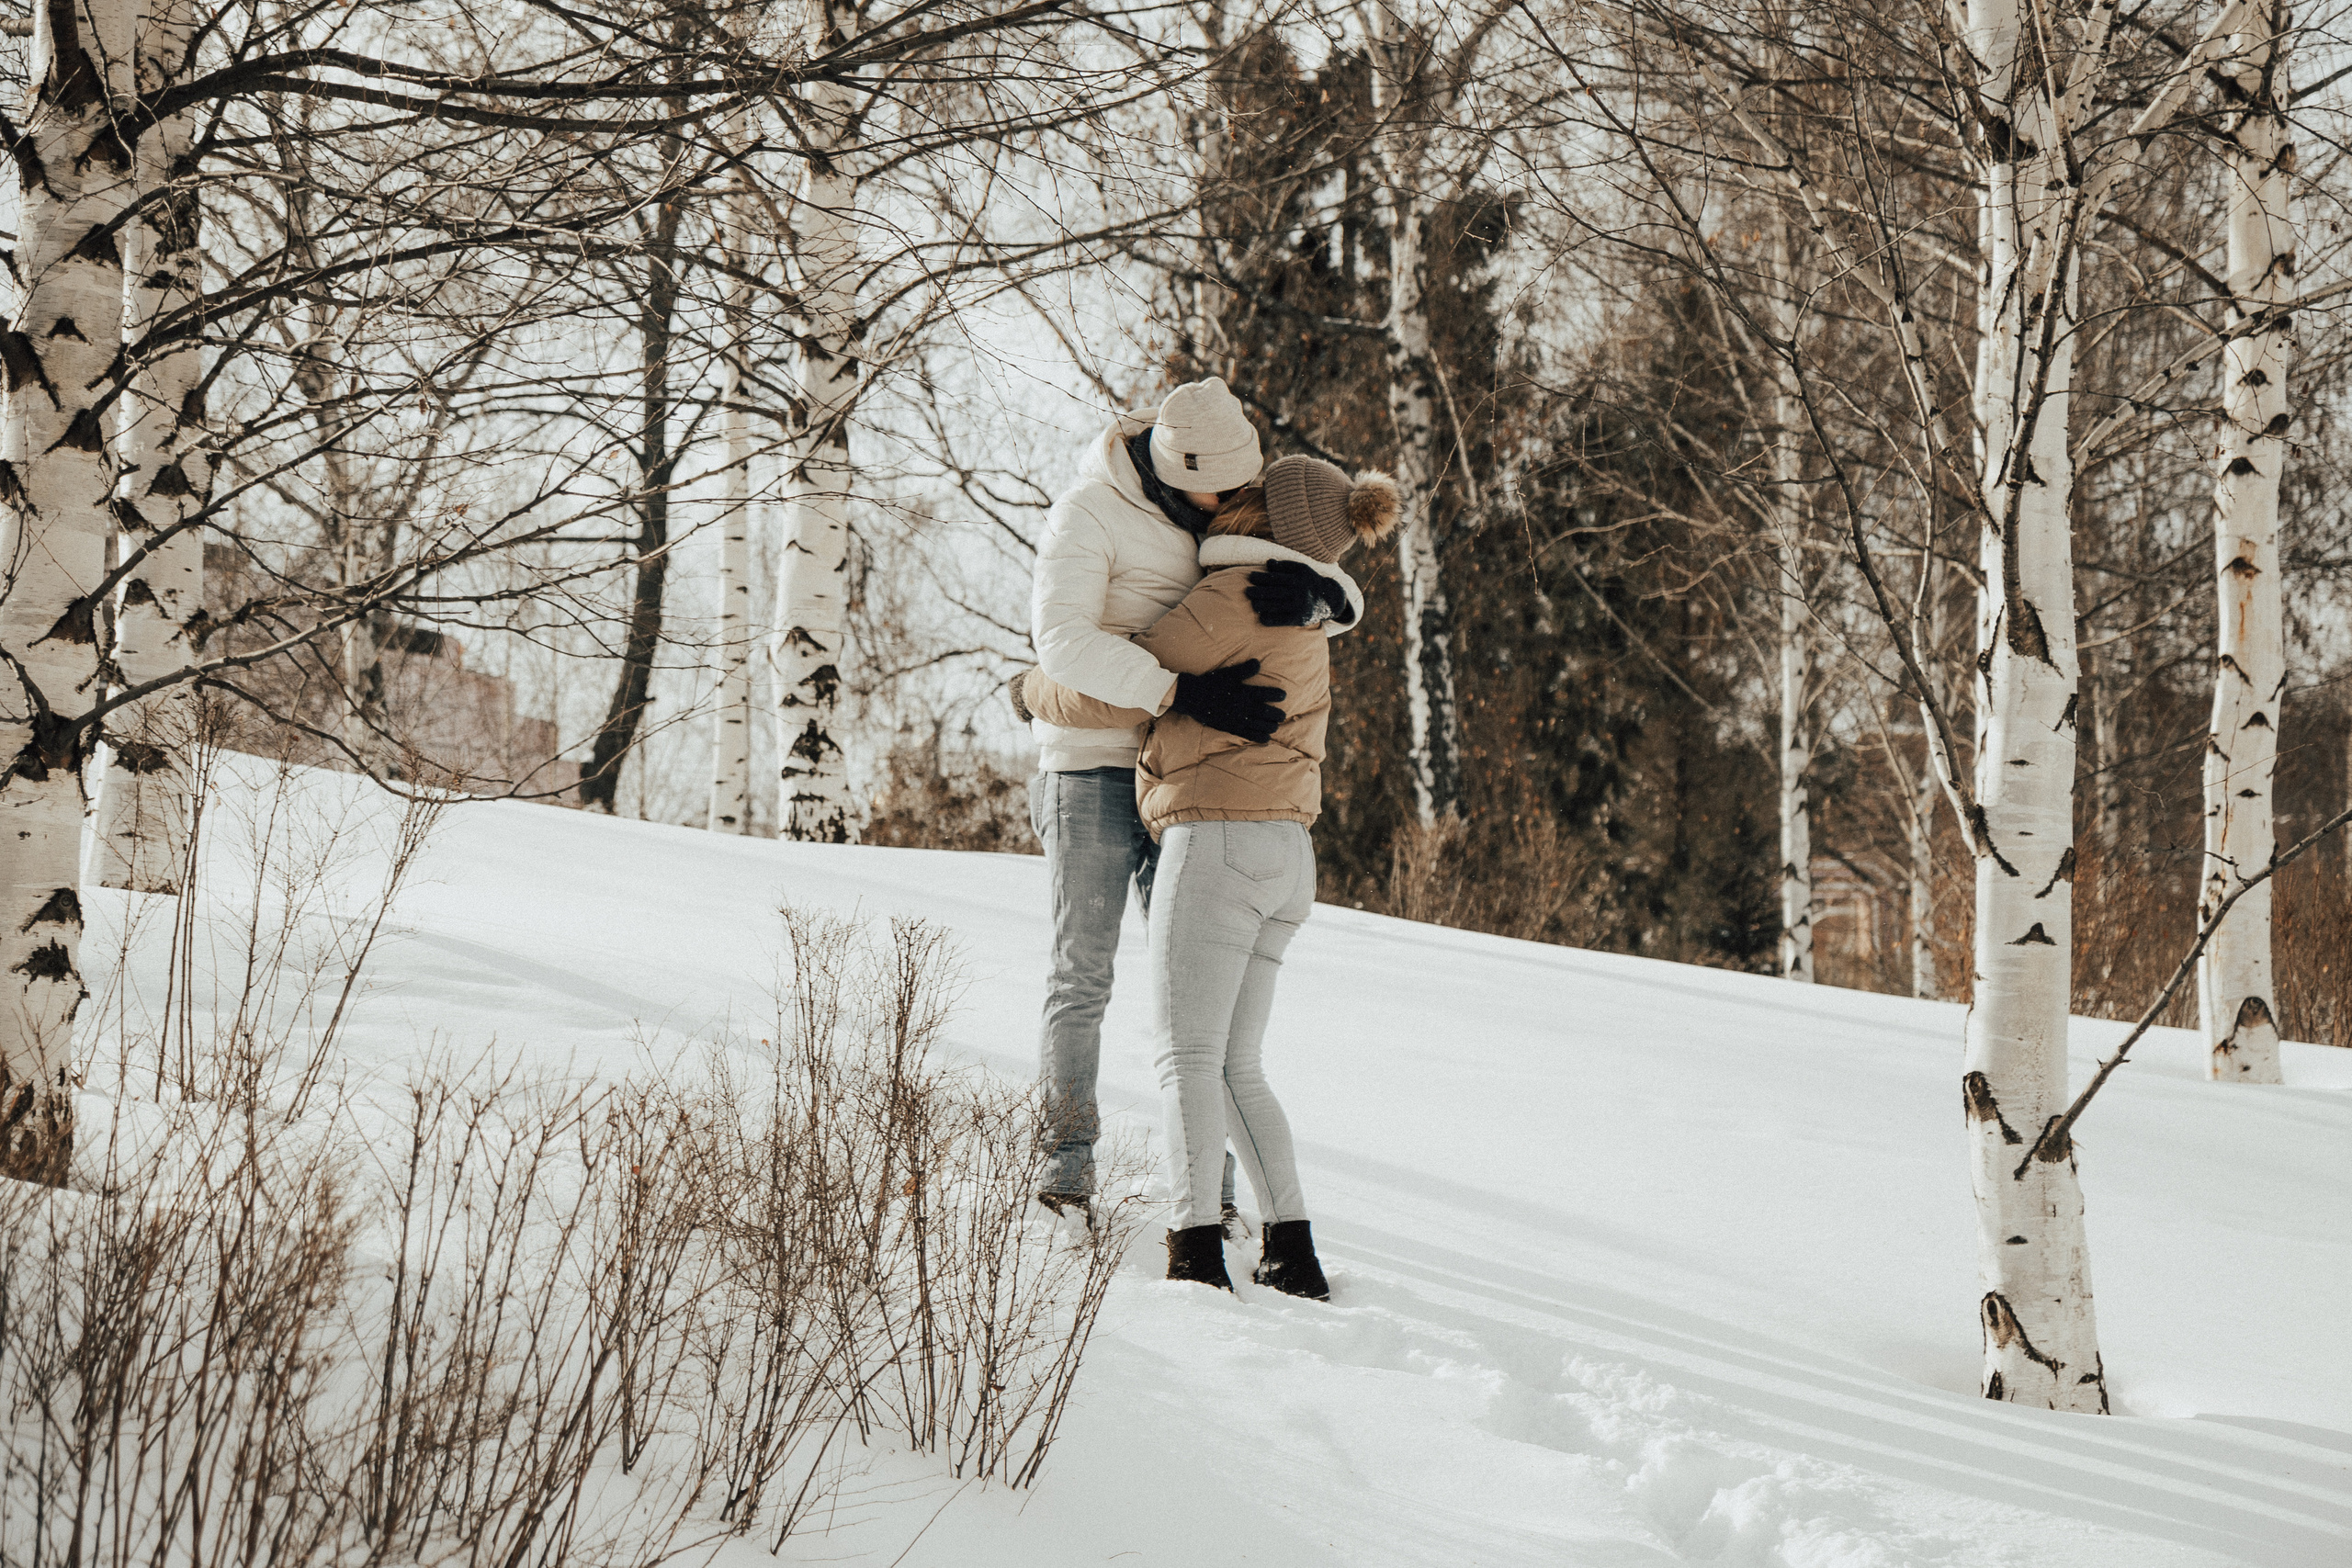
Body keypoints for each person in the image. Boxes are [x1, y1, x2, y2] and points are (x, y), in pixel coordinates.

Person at [1016, 456, 1399, 1299]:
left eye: (1244, 496)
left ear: (1262, 515)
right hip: (1289, 855)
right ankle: (1292, 1249)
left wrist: (1031, 690)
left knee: (1186, 1057)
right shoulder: (1302, 609)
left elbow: (1122, 691)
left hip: (1217, 839)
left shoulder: (1229, 599)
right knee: (1238, 1064)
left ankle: (1194, 1242)